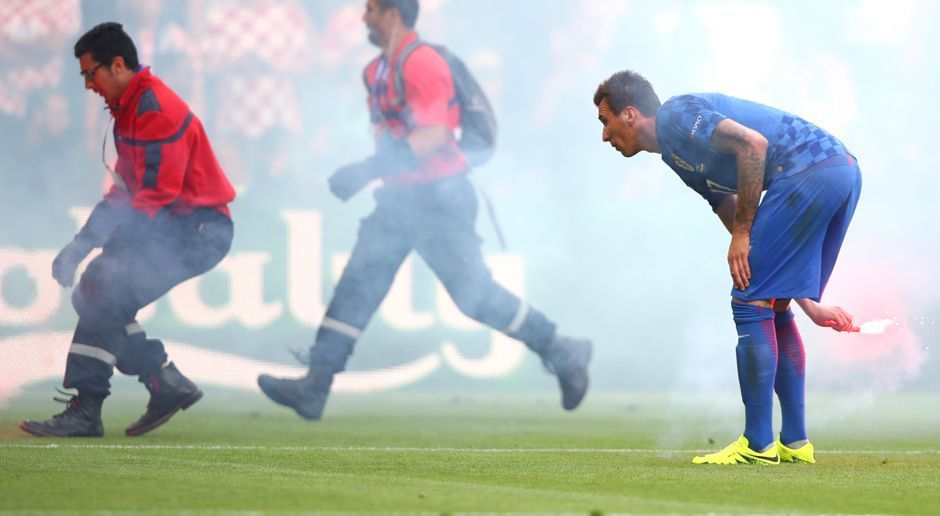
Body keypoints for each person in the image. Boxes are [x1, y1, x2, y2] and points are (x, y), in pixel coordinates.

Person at [257, 0, 591, 419]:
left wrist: (367, 169)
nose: (364, 18)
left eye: (371, 10)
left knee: (475, 296)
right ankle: (316, 385)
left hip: (440, 198)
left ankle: (562, 349)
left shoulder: (422, 63)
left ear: (393, 15)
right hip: (400, 200)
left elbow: (433, 135)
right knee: (358, 285)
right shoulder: (374, 71)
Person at [593, 71, 862, 465]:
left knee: (748, 304)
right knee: (768, 300)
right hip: (839, 170)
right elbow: (741, 226)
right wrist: (808, 302)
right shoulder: (676, 157)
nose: (604, 136)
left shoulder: (676, 116)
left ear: (630, 114)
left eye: (605, 121)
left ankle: (757, 444)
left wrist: (741, 235)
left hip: (810, 169)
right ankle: (795, 442)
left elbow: (753, 145)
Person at [20, 22, 236, 438]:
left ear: (117, 65)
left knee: (102, 286)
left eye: (90, 73)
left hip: (199, 229)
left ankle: (88, 408)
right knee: (93, 293)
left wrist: (106, 254)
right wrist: (80, 246)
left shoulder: (153, 110)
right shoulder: (132, 109)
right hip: (180, 225)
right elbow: (124, 194)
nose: (87, 85)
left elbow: (155, 196)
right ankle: (163, 381)